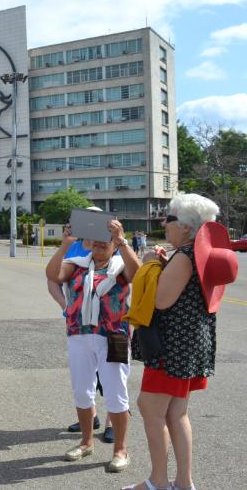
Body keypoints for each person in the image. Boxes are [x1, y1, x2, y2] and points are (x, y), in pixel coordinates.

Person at [124, 194, 236, 490]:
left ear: (186, 227)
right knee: (176, 413)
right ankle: (184, 482)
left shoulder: (184, 257)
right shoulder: (198, 255)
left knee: (150, 407)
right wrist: (164, 265)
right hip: (189, 345)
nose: (164, 223)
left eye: (170, 219)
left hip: (170, 347)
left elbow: (161, 300)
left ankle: (158, 481)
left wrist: (151, 264)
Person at [46, 216, 141, 473]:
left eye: (105, 240)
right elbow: (53, 275)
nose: (99, 244)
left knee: (116, 392)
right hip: (79, 335)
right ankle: (86, 443)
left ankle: (120, 449)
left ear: (113, 244)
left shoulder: (121, 266)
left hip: (114, 336)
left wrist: (122, 241)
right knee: (82, 391)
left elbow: (137, 274)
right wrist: (65, 244)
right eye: (95, 240)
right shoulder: (76, 264)